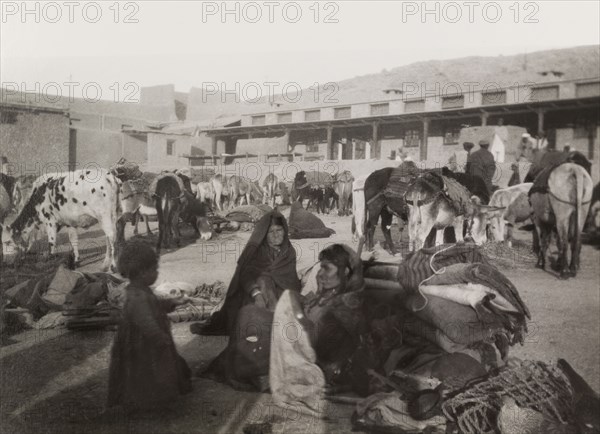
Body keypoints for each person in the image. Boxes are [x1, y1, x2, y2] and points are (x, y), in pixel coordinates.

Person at [107, 241, 192, 413]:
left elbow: (155, 305)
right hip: (143, 345)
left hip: (146, 342)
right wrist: (159, 338)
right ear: (143, 272)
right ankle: (145, 402)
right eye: (155, 269)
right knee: (147, 371)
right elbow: (145, 321)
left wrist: (174, 302)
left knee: (157, 369)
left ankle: (149, 398)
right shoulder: (137, 295)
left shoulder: (141, 290)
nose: (157, 273)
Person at [192, 210, 301, 336]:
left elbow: (290, 280)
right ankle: (273, 323)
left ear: (285, 230)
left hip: (281, 293)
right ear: (264, 234)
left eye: (279, 230)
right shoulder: (256, 251)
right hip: (255, 294)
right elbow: (245, 275)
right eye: (271, 232)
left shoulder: (289, 251)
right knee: (263, 280)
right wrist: (256, 294)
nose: (276, 235)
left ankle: (275, 320)